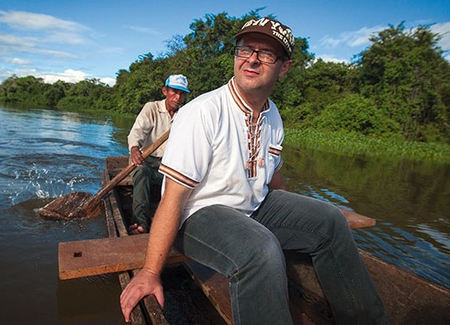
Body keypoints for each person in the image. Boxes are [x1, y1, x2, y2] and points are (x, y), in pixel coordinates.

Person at [120, 17, 387, 324]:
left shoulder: (273, 116)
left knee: (329, 221)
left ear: (283, 67)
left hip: (252, 208)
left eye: (267, 54)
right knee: (261, 250)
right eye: (246, 49)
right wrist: (151, 272)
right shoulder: (203, 112)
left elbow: (272, 177)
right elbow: (173, 198)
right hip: (196, 215)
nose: (252, 59)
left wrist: (296, 215)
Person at [127, 74, 189, 235]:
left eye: (182, 93)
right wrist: (135, 150)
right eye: (174, 92)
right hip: (146, 161)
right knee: (141, 172)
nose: (178, 97)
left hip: (168, 164)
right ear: (164, 91)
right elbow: (136, 133)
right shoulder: (152, 108)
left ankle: (178, 225)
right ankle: (139, 223)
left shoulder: (185, 116)